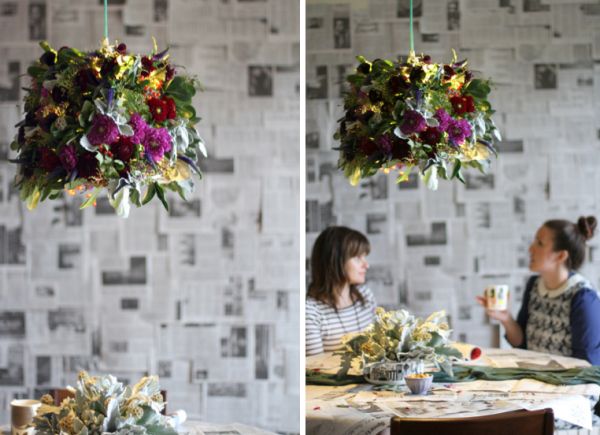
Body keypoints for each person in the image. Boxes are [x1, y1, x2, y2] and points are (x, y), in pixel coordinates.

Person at [477, 216, 600, 364]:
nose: (530, 248)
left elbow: (587, 366)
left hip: (565, 385)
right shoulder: (534, 285)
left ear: (561, 255)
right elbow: (522, 343)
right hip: (533, 378)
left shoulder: (583, 298)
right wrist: (505, 318)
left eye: (539, 243)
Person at [306, 226, 376, 356]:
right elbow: (316, 372)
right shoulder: (311, 312)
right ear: (335, 261)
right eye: (357, 258)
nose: (366, 265)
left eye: (365, 257)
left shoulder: (366, 296)